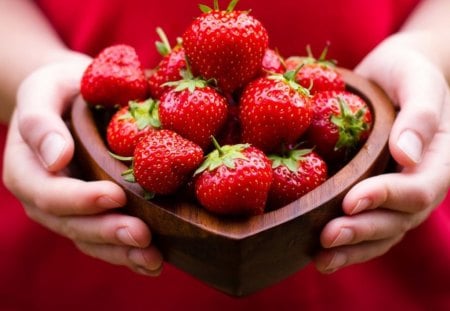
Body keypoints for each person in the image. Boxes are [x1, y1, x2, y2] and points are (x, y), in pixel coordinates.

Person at [1, 0, 449, 309]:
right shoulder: (176, 113)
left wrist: (428, 49)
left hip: (379, 251)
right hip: (79, 226)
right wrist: (32, 68)